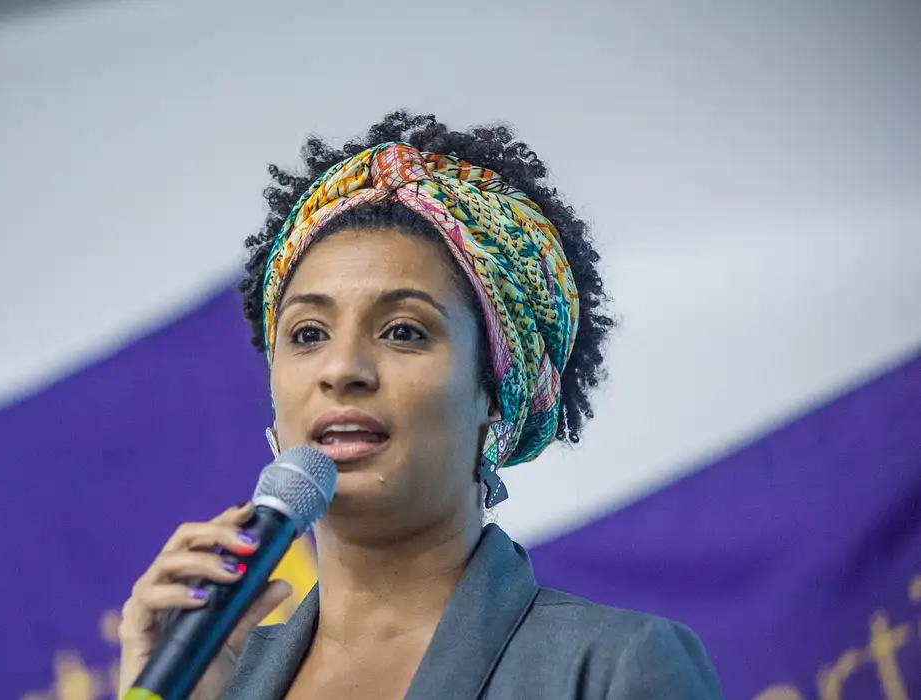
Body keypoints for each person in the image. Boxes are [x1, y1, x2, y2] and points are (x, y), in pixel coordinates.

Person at [118, 112, 724, 700]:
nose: (342, 371)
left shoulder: (613, 667)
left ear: (494, 390)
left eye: (404, 331)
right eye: (307, 334)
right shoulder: (210, 680)